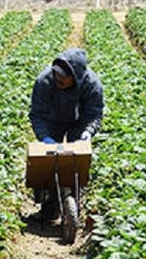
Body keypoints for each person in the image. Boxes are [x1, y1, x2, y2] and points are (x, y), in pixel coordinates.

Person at [28, 48, 104, 221]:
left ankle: (74, 202)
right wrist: (45, 137)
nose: (58, 80)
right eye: (56, 77)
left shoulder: (91, 84)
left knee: (76, 160)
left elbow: (94, 115)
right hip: (52, 119)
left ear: (75, 78)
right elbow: (37, 114)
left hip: (80, 121)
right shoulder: (44, 81)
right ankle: (49, 208)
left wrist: (87, 132)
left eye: (63, 79)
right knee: (50, 160)